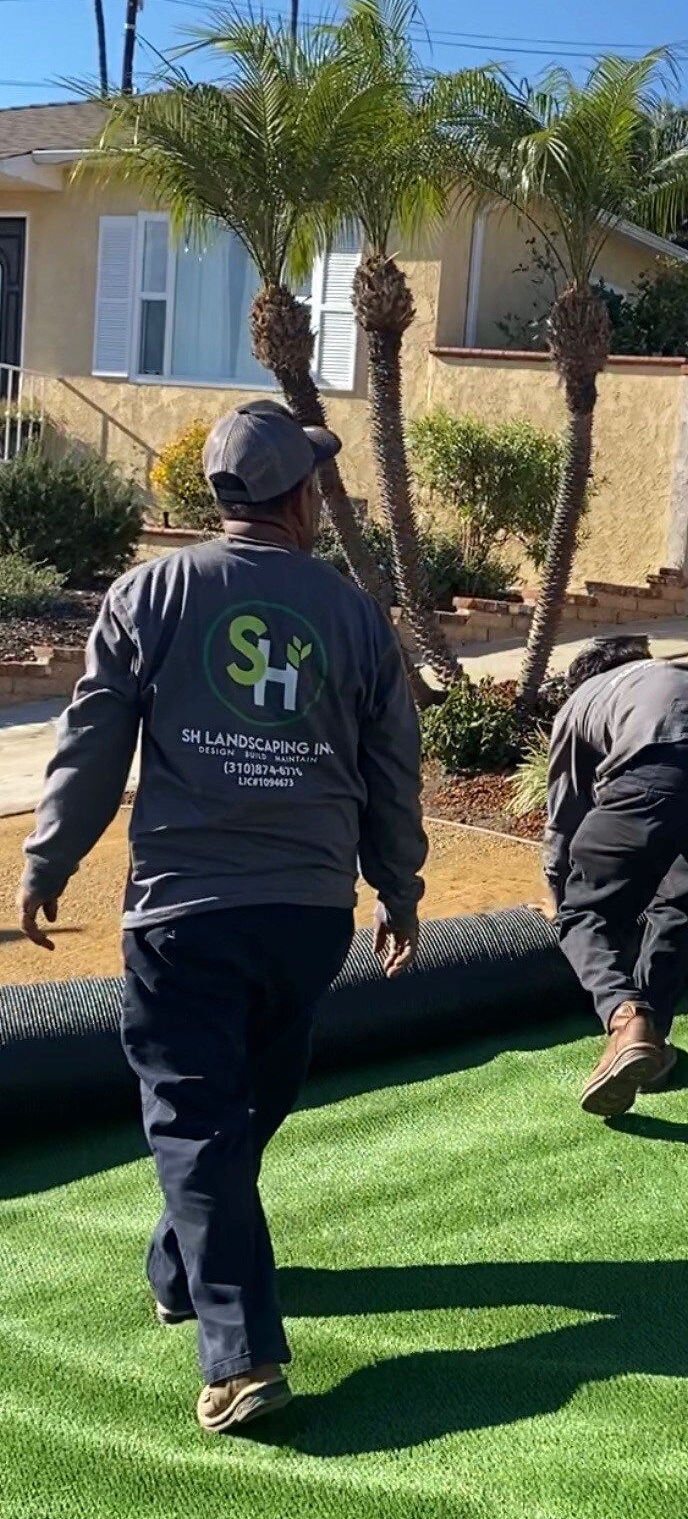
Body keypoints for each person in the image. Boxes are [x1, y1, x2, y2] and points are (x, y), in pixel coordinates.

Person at [17, 400, 428, 1434]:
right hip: (303, 917)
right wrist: (398, 885)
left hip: (184, 915)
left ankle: (237, 1348)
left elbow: (92, 742)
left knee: (206, 1118)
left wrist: (50, 857)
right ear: (297, 497)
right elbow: (392, 768)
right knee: (235, 1111)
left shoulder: (149, 592)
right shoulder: (350, 612)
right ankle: (195, 1289)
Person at [542, 636, 688, 1116]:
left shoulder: (582, 700)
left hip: (658, 767)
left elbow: (566, 812)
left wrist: (557, 888)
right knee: (679, 903)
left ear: (580, 680)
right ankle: (652, 1047)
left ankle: (626, 1018)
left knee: (587, 913)